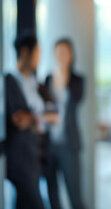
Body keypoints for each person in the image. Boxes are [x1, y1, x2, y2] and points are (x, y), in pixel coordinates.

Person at [5, 31, 57, 209]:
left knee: (23, 202)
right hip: (20, 155)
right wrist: (40, 119)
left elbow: (55, 116)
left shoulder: (37, 84)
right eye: (37, 53)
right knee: (36, 203)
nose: (39, 58)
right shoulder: (8, 81)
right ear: (25, 51)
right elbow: (18, 120)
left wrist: (33, 118)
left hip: (38, 153)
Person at [44, 38, 85, 209]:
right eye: (58, 52)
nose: (61, 55)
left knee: (75, 197)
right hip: (48, 145)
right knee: (52, 195)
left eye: (64, 52)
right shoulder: (47, 79)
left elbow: (78, 98)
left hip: (69, 145)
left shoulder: (77, 80)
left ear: (71, 55)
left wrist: (62, 78)